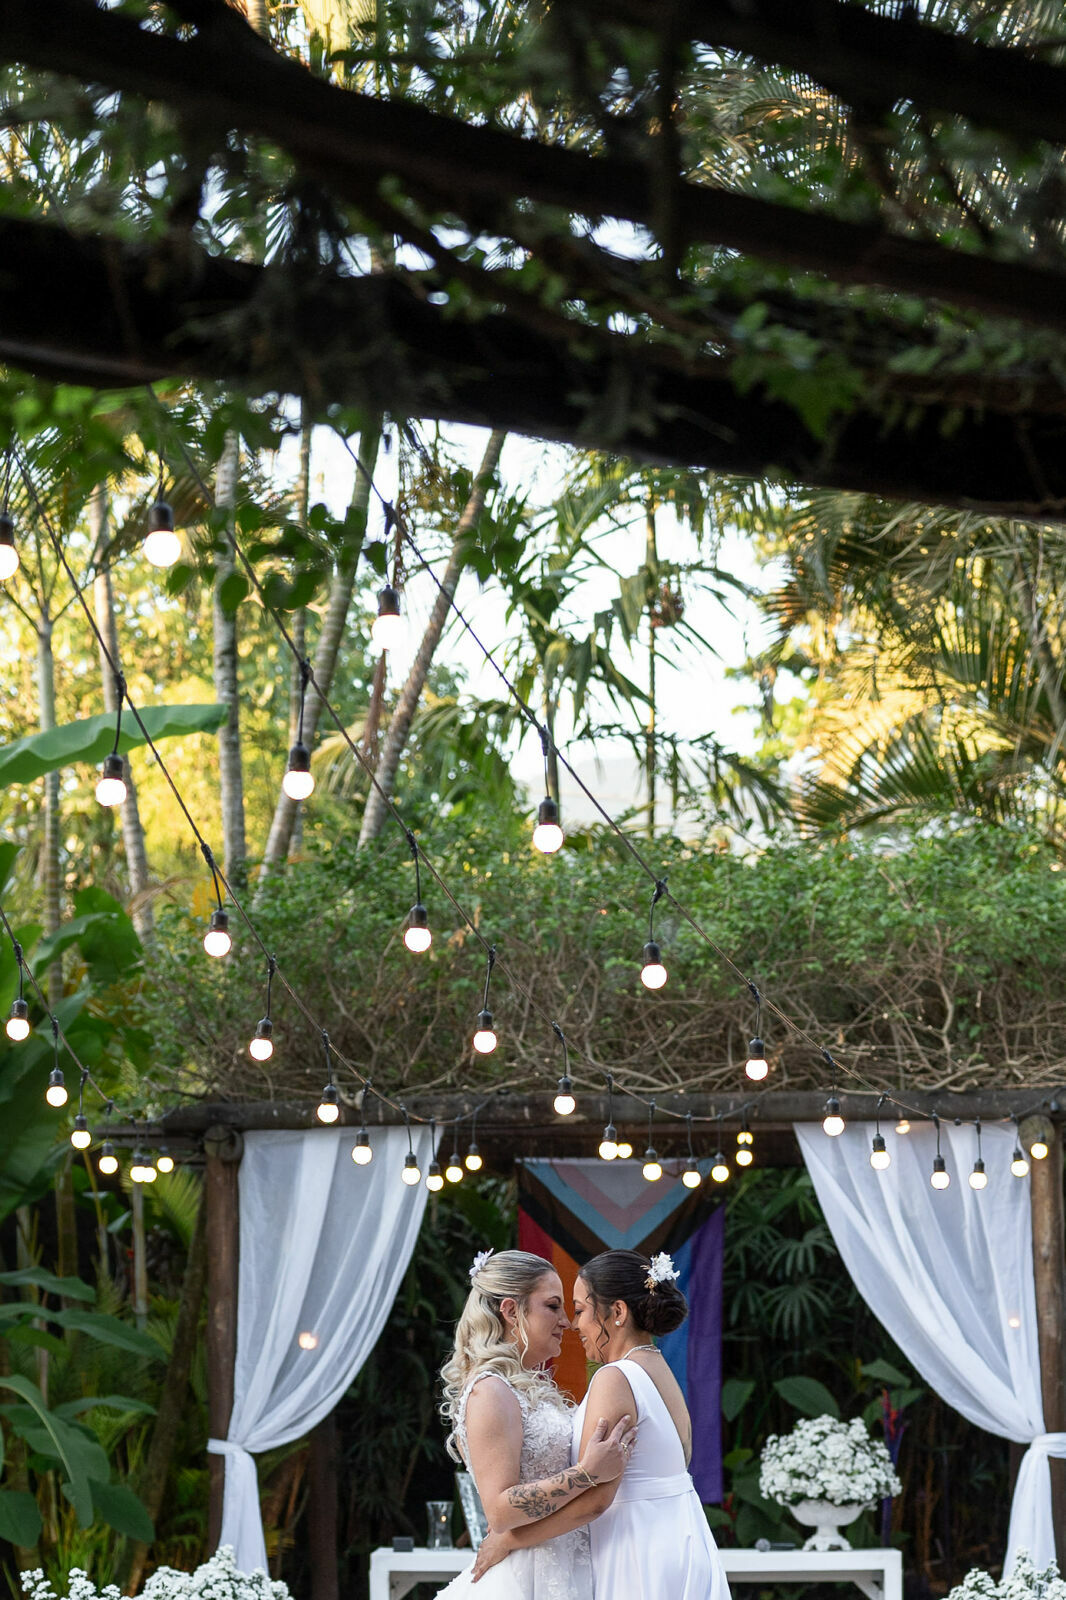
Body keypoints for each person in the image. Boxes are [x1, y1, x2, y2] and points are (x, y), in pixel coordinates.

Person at [471, 1249, 730, 1600]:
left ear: (618, 1312)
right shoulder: (658, 1368)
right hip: (680, 1539)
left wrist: (508, 1541)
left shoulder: (615, 1377)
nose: (573, 1323)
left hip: (637, 1551)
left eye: (580, 1310)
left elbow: (596, 1501)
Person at [436, 1248, 636, 1600]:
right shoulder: (490, 1390)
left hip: (566, 1566)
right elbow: (499, 1512)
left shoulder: (522, 1388)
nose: (567, 1322)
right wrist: (586, 1473)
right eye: (552, 1306)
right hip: (527, 1579)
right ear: (511, 1311)